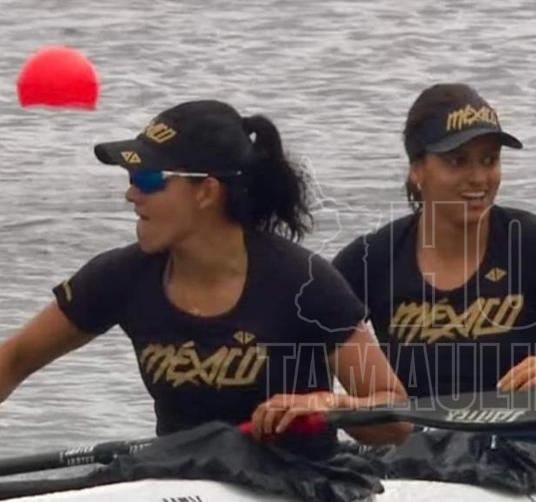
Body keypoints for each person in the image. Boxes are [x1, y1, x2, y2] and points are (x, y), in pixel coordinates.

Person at [0, 100, 411, 458]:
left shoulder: (304, 284)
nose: (131, 195)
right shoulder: (119, 277)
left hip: (298, 480)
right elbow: (13, 360)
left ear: (206, 191)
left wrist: (329, 405)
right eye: (131, 179)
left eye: (147, 179)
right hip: (178, 477)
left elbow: (397, 420)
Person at [333, 83, 536, 398]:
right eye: (457, 161)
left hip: (531, 426)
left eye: (489, 160)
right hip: (418, 429)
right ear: (417, 170)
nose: (479, 178)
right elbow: (307, 338)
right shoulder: (373, 258)